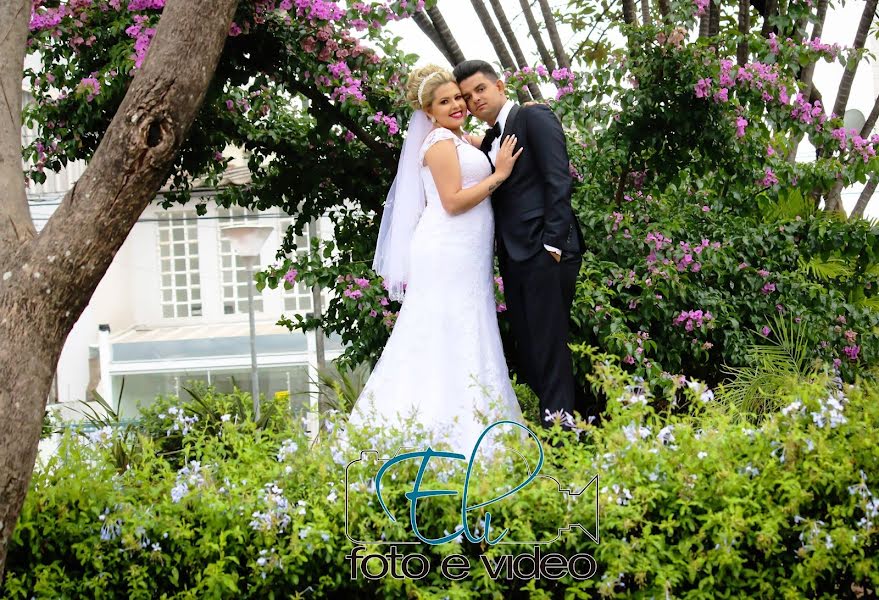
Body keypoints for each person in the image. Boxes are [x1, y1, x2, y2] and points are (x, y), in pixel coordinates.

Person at [344, 65, 525, 454]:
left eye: (458, 98)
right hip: (447, 249)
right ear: (429, 111)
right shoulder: (440, 142)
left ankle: (478, 425)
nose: (457, 105)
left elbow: (490, 142)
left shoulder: (460, 139)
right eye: (445, 101)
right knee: (445, 330)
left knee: (469, 327)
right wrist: (500, 175)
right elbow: (453, 201)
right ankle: (426, 435)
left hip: (467, 253)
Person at [454, 60, 587, 426]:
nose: (474, 99)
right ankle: (567, 425)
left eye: (480, 89)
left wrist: (554, 244)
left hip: (546, 251)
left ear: (499, 86)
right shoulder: (491, 139)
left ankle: (560, 437)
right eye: (467, 96)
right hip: (513, 257)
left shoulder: (534, 118)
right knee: (529, 350)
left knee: (549, 345)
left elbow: (558, 180)